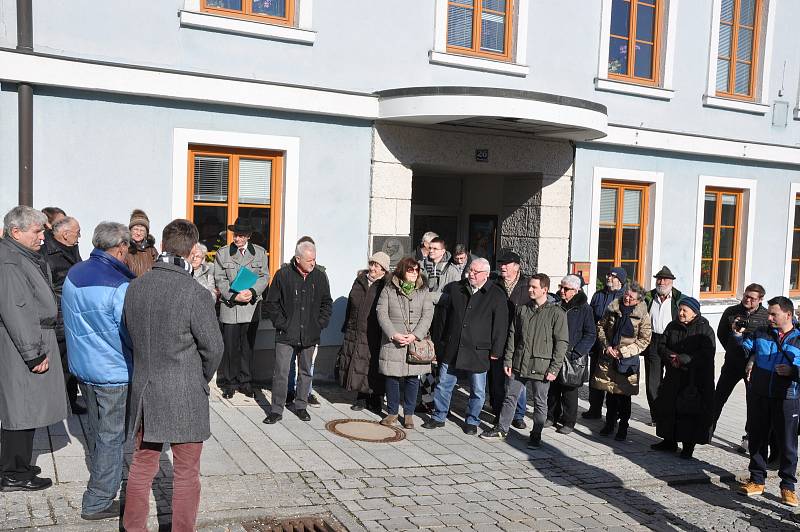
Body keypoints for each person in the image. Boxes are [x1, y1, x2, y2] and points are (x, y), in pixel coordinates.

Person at [122, 219, 224, 532]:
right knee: (186, 473)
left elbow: (127, 335)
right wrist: (199, 378)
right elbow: (214, 348)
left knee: (141, 467)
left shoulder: (135, 286)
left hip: (145, 390)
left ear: (164, 245)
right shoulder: (195, 293)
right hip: (185, 392)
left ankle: (133, 528)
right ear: (193, 249)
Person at [61, 222, 135, 520]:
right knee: (111, 437)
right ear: (119, 248)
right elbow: (130, 333)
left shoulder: (75, 272)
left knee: (97, 430)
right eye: (127, 249)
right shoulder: (118, 285)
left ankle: (103, 479)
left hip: (85, 366)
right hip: (113, 370)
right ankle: (98, 500)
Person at [0, 206, 69, 492]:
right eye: (37, 231)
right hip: (24, 343)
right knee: (21, 408)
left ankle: (17, 464)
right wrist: (34, 353)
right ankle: (14, 472)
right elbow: (17, 309)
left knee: (24, 407)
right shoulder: (10, 262)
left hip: (31, 338)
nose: (42, 237)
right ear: (16, 232)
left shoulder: (19, 255)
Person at [480, 274, 569, 447]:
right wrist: (508, 361)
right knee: (510, 396)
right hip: (519, 362)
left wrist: (554, 368)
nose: (530, 290)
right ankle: (502, 429)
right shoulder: (522, 309)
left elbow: (561, 343)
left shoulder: (557, 313)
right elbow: (513, 336)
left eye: (534, 287)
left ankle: (536, 434)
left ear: (545, 289)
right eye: (529, 286)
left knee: (540, 401)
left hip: (541, 365)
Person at [423, 258, 508, 435]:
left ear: (486, 274)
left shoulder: (496, 294)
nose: (471, 274)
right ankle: (439, 416)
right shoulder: (456, 288)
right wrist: (440, 342)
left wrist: (496, 350)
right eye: (470, 270)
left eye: (476, 272)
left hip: (478, 350)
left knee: (477, 390)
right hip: (453, 347)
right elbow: (443, 318)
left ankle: (472, 420)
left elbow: (501, 325)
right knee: (444, 384)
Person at [736, 297, 800, 507]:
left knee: (787, 444)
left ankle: (788, 487)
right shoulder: (762, 332)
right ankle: (757, 480)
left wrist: (792, 371)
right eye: (769, 314)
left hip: (787, 397)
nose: (769, 317)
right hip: (760, 394)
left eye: (774, 314)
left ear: (788, 315)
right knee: (757, 438)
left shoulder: (798, 338)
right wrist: (737, 334)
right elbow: (745, 348)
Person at [263, 240, 332, 424]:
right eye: (309, 260)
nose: (313, 263)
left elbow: (326, 303)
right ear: (298, 258)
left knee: (305, 372)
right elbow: (271, 303)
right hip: (286, 334)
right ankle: (276, 410)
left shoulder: (319, 276)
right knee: (281, 372)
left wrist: (320, 323)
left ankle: (301, 406)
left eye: (315, 259)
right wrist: (282, 323)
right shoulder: (283, 275)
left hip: (310, 333)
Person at [651, 297, 716, 459]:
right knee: (668, 408)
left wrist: (684, 359)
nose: (680, 313)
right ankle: (668, 441)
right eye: (679, 309)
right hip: (673, 376)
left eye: (684, 310)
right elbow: (661, 345)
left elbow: (707, 353)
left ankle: (688, 446)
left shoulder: (705, 329)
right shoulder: (672, 326)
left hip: (694, 379)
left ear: (694, 312)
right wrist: (670, 356)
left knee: (689, 412)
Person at [214, 219, 269, 399]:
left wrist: (252, 291)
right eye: (236, 235)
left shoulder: (260, 253)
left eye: (241, 236)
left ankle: (246, 382)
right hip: (230, 307)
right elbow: (220, 279)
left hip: (251, 306)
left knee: (247, 347)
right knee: (231, 348)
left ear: (248, 237)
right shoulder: (223, 254)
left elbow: (264, 277)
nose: (237, 238)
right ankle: (230, 383)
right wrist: (233, 296)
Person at [376, 257, 433, 429]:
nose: (414, 273)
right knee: (392, 377)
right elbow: (381, 312)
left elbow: (428, 314)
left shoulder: (423, 290)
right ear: (402, 270)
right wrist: (393, 334)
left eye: (417, 270)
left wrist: (416, 335)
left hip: (414, 342)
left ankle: (408, 414)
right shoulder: (389, 288)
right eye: (411, 270)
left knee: (412, 378)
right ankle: (392, 412)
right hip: (393, 341)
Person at [591, 282, 651, 442]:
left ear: (638, 300)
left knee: (624, 396)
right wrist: (606, 346)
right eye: (626, 294)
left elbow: (644, 341)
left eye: (631, 297)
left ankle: (623, 426)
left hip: (627, 361)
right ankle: (609, 423)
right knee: (610, 392)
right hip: (609, 357)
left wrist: (623, 352)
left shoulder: (643, 315)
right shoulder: (613, 309)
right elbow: (600, 327)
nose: (627, 298)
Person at [713, 283, 769, 452]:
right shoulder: (731, 312)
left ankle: (749, 437)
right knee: (718, 397)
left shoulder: (766, 316)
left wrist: (750, 355)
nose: (747, 299)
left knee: (752, 403)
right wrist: (733, 348)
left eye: (752, 298)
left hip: (753, 366)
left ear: (760, 300)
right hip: (732, 363)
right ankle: (706, 431)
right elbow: (721, 333)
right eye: (746, 295)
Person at [41, 215, 85, 415]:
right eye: (77, 232)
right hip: (57, 315)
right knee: (56, 360)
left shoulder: (71, 247)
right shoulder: (46, 253)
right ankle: (50, 405)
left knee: (70, 362)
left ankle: (70, 401)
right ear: (65, 234)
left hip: (72, 313)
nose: (79, 236)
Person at [337, 252, 391, 413]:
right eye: (372, 263)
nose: (372, 268)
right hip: (356, 329)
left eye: (377, 265)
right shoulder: (360, 280)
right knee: (358, 362)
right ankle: (361, 399)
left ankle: (376, 399)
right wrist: (346, 325)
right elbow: (350, 305)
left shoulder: (386, 285)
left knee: (374, 365)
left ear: (384, 270)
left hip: (376, 330)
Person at [546, 275, 596, 434]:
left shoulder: (584, 308)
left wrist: (576, 352)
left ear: (576, 290)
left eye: (566, 289)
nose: (562, 291)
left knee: (569, 391)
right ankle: (551, 416)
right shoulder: (556, 304)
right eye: (561, 287)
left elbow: (590, 334)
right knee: (552, 388)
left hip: (572, 356)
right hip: (555, 353)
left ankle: (569, 421)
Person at [491, 250, 531, 429]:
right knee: (497, 378)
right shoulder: (495, 283)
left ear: (517, 266)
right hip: (497, 338)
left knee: (517, 378)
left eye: (506, 264)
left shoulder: (527, 285)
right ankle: (498, 411)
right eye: (501, 263)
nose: (502, 267)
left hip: (519, 339)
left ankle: (518, 415)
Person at [582, 267, 626, 419]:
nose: (609, 278)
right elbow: (591, 318)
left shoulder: (625, 298)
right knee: (596, 379)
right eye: (608, 274)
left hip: (614, 346)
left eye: (613, 276)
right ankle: (594, 409)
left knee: (612, 381)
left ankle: (613, 414)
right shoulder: (598, 295)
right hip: (597, 345)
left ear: (620, 280)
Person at [642, 266, 682, 426]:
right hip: (653, 340)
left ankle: (670, 411)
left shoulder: (679, 299)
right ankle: (656, 415)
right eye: (659, 279)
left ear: (671, 282)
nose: (661, 282)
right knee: (653, 382)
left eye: (665, 279)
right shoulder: (648, 297)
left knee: (672, 380)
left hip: (672, 342)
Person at [124, 209, 158, 277]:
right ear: (130, 230)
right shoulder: (125, 248)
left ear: (146, 233)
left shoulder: (152, 250)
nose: (138, 233)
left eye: (142, 230)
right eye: (136, 229)